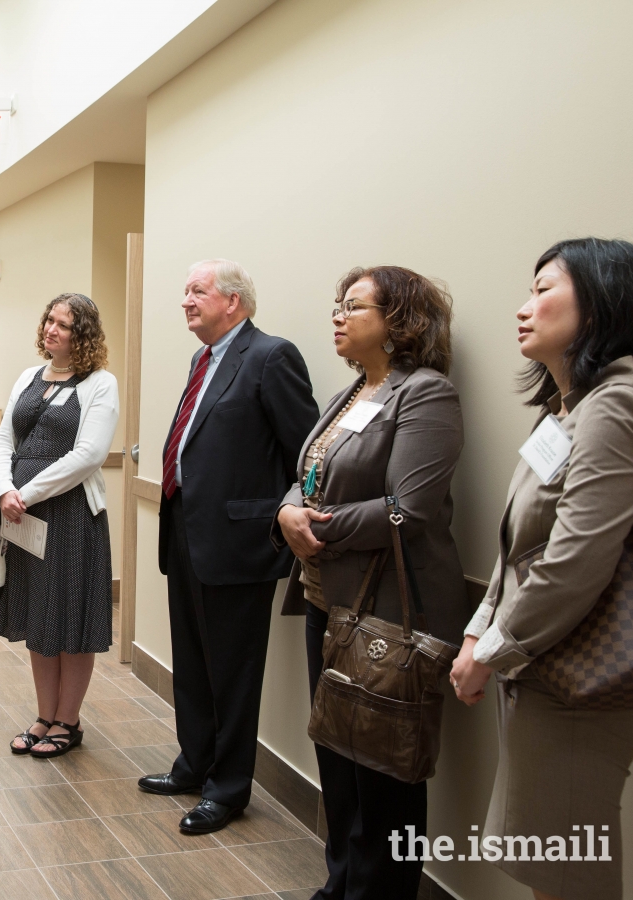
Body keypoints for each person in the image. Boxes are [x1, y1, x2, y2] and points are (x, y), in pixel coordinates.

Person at [274, 266, 466, 899]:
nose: (338, 316)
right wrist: (285, 511)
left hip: (386, 614)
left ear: (398, 322)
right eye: (339, 304)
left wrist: (317, 527)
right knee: (338, 760)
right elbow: (311, 476)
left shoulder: (425, 393)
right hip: (325, 602)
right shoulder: (353, 392)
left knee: (383, 779)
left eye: (353, 307)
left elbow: (408, 509)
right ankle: (341, 885)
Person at [451, 238, 633, 900]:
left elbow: (577, 557)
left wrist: (494, 648)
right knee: (550, 861)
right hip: (542, 665)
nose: (524, 308)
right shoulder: (567, 410)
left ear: (601, 300)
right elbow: (516, 550)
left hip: (578, 679)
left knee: (568, 867)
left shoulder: (615, 403)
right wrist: (479, 630)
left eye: (543, 289)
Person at [137, 259, 318, 834]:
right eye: (184, 291)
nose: (185, 300)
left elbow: (307, 453)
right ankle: (194, 764)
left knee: (234, 673)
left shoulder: (271, 356)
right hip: (186, 529)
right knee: (192, 661)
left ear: (233, 301)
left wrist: (288, 514)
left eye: (198, 291)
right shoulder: (203, 359)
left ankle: (229, 788)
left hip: (240, 542)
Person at [0, 293, 119, 757]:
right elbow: (5, 438)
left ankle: (68, 721)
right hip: (19, 513)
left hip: (68, 516)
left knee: (69, 617)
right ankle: (43, 716)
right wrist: (5, 488)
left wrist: (26, 494)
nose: (51, 329)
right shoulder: (29, 376)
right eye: (49, 320)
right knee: (37, 614)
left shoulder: (100, 384)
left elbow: (89, 455)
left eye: (63, 324)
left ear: (82, 334)